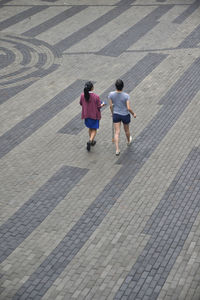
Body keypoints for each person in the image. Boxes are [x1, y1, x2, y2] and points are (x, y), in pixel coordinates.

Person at [108, 79, 136, 156]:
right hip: (125, 115)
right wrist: (133, 114)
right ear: (123, 86)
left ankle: (117, 149)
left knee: (117, 132)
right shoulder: (126, 96)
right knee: (126, 130)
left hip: (116, 114)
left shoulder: (111, 94)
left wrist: (112, 113)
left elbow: (111, 106)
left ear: (115, 86)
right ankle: (128, 141)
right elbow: (128, 108)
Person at [80, 81, 105, 151]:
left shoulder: (82, 95)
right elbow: (98, 107)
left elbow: (81, 103)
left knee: (90, 128)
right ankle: (90, 141)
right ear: (92, 88)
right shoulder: (96, 97)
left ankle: (92, 141)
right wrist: (102, 104)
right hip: (94, 115)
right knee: (94, 129)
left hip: (86, 115)